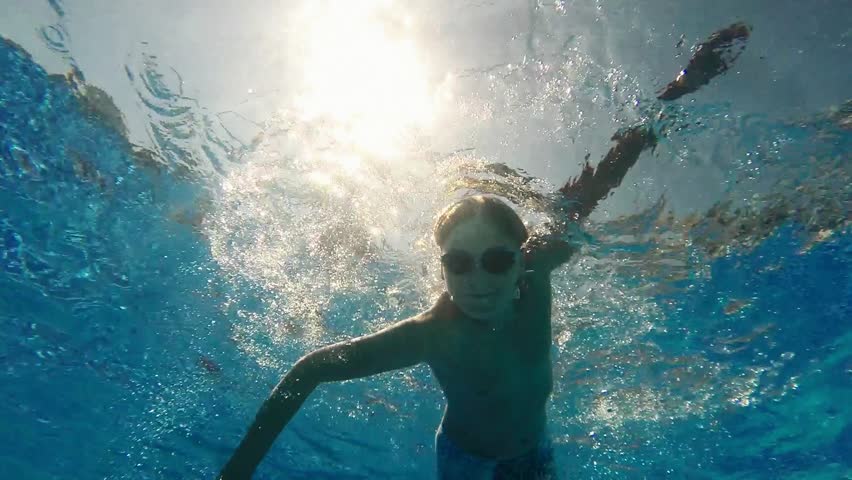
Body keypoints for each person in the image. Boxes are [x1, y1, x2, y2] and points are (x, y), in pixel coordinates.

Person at [217, 125, 657, 480]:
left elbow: (584, 197)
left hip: (536, 452)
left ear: (521, 258)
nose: (479, 281)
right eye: (460, 263)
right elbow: (312, 368)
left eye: (497, 261)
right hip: (469, 465)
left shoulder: (538, 270)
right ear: (443, 269)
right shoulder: (435, 334)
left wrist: (654, 120)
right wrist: (238, 469)